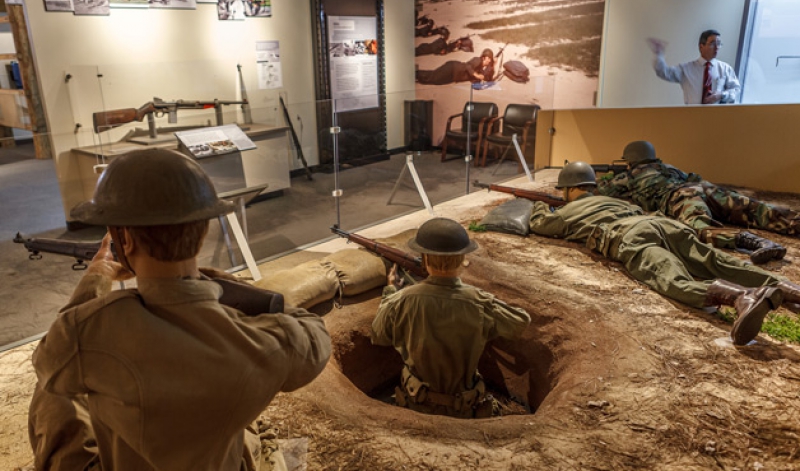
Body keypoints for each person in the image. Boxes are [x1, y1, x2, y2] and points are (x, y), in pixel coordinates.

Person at [28, 148, 331, 470]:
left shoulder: (84, 333)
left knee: (55, 396)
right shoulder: (263, 343)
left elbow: (49, 361)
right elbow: (312, 333)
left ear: (124, 240)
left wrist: (96, 277)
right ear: (202, 235)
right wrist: (210, 284)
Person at [529, 161, 800, 346]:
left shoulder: (567, 211)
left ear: (570, 189)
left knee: (672, 278)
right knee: (715, 260)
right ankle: (787, 289)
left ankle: (743, 298)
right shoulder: (612, 199)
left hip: (629, 235)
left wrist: (540, 205)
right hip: (662, 224)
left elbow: (540, 224)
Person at [371, 218, 530, 418]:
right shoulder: (479, 301)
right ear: (463, 259)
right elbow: (520, 322)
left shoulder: (402, 299)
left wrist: (391, 292)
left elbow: (378, 335)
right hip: (467, 410)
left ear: (425, 259)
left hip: (414, 407)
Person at [598, 140, 797, 264]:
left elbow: (602, 190)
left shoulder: (630, 175)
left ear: (631, 160)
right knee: (753, 208)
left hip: (681, 196)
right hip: (705, 189)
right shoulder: (668, 167)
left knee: (700, 229)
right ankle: (794, 222)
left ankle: (755, 242)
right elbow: (694, 177)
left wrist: (606, 177)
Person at [648, 29, 740, 105]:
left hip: (718, 118)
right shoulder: (686, 69)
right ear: (701, 47)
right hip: (692, 117)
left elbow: (736, 91)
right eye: (712, 43)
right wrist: (659, 54)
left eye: (719, 43)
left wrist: (721, 95)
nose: (717, 47)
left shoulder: (725, 69)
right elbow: (663, 72)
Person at [415, 48, 495, 85]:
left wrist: (493, 65)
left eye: (490, 60)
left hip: (453, 74)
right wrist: (476, 75)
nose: (489, 61)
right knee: (434, 77)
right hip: (452, 68)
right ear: (484, 57)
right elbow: (468, 66)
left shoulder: (480, 67)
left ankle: (417, 76)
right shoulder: (477, 60)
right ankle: (415, 74)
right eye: (489, 59)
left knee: (436, 80)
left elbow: (486, 77)